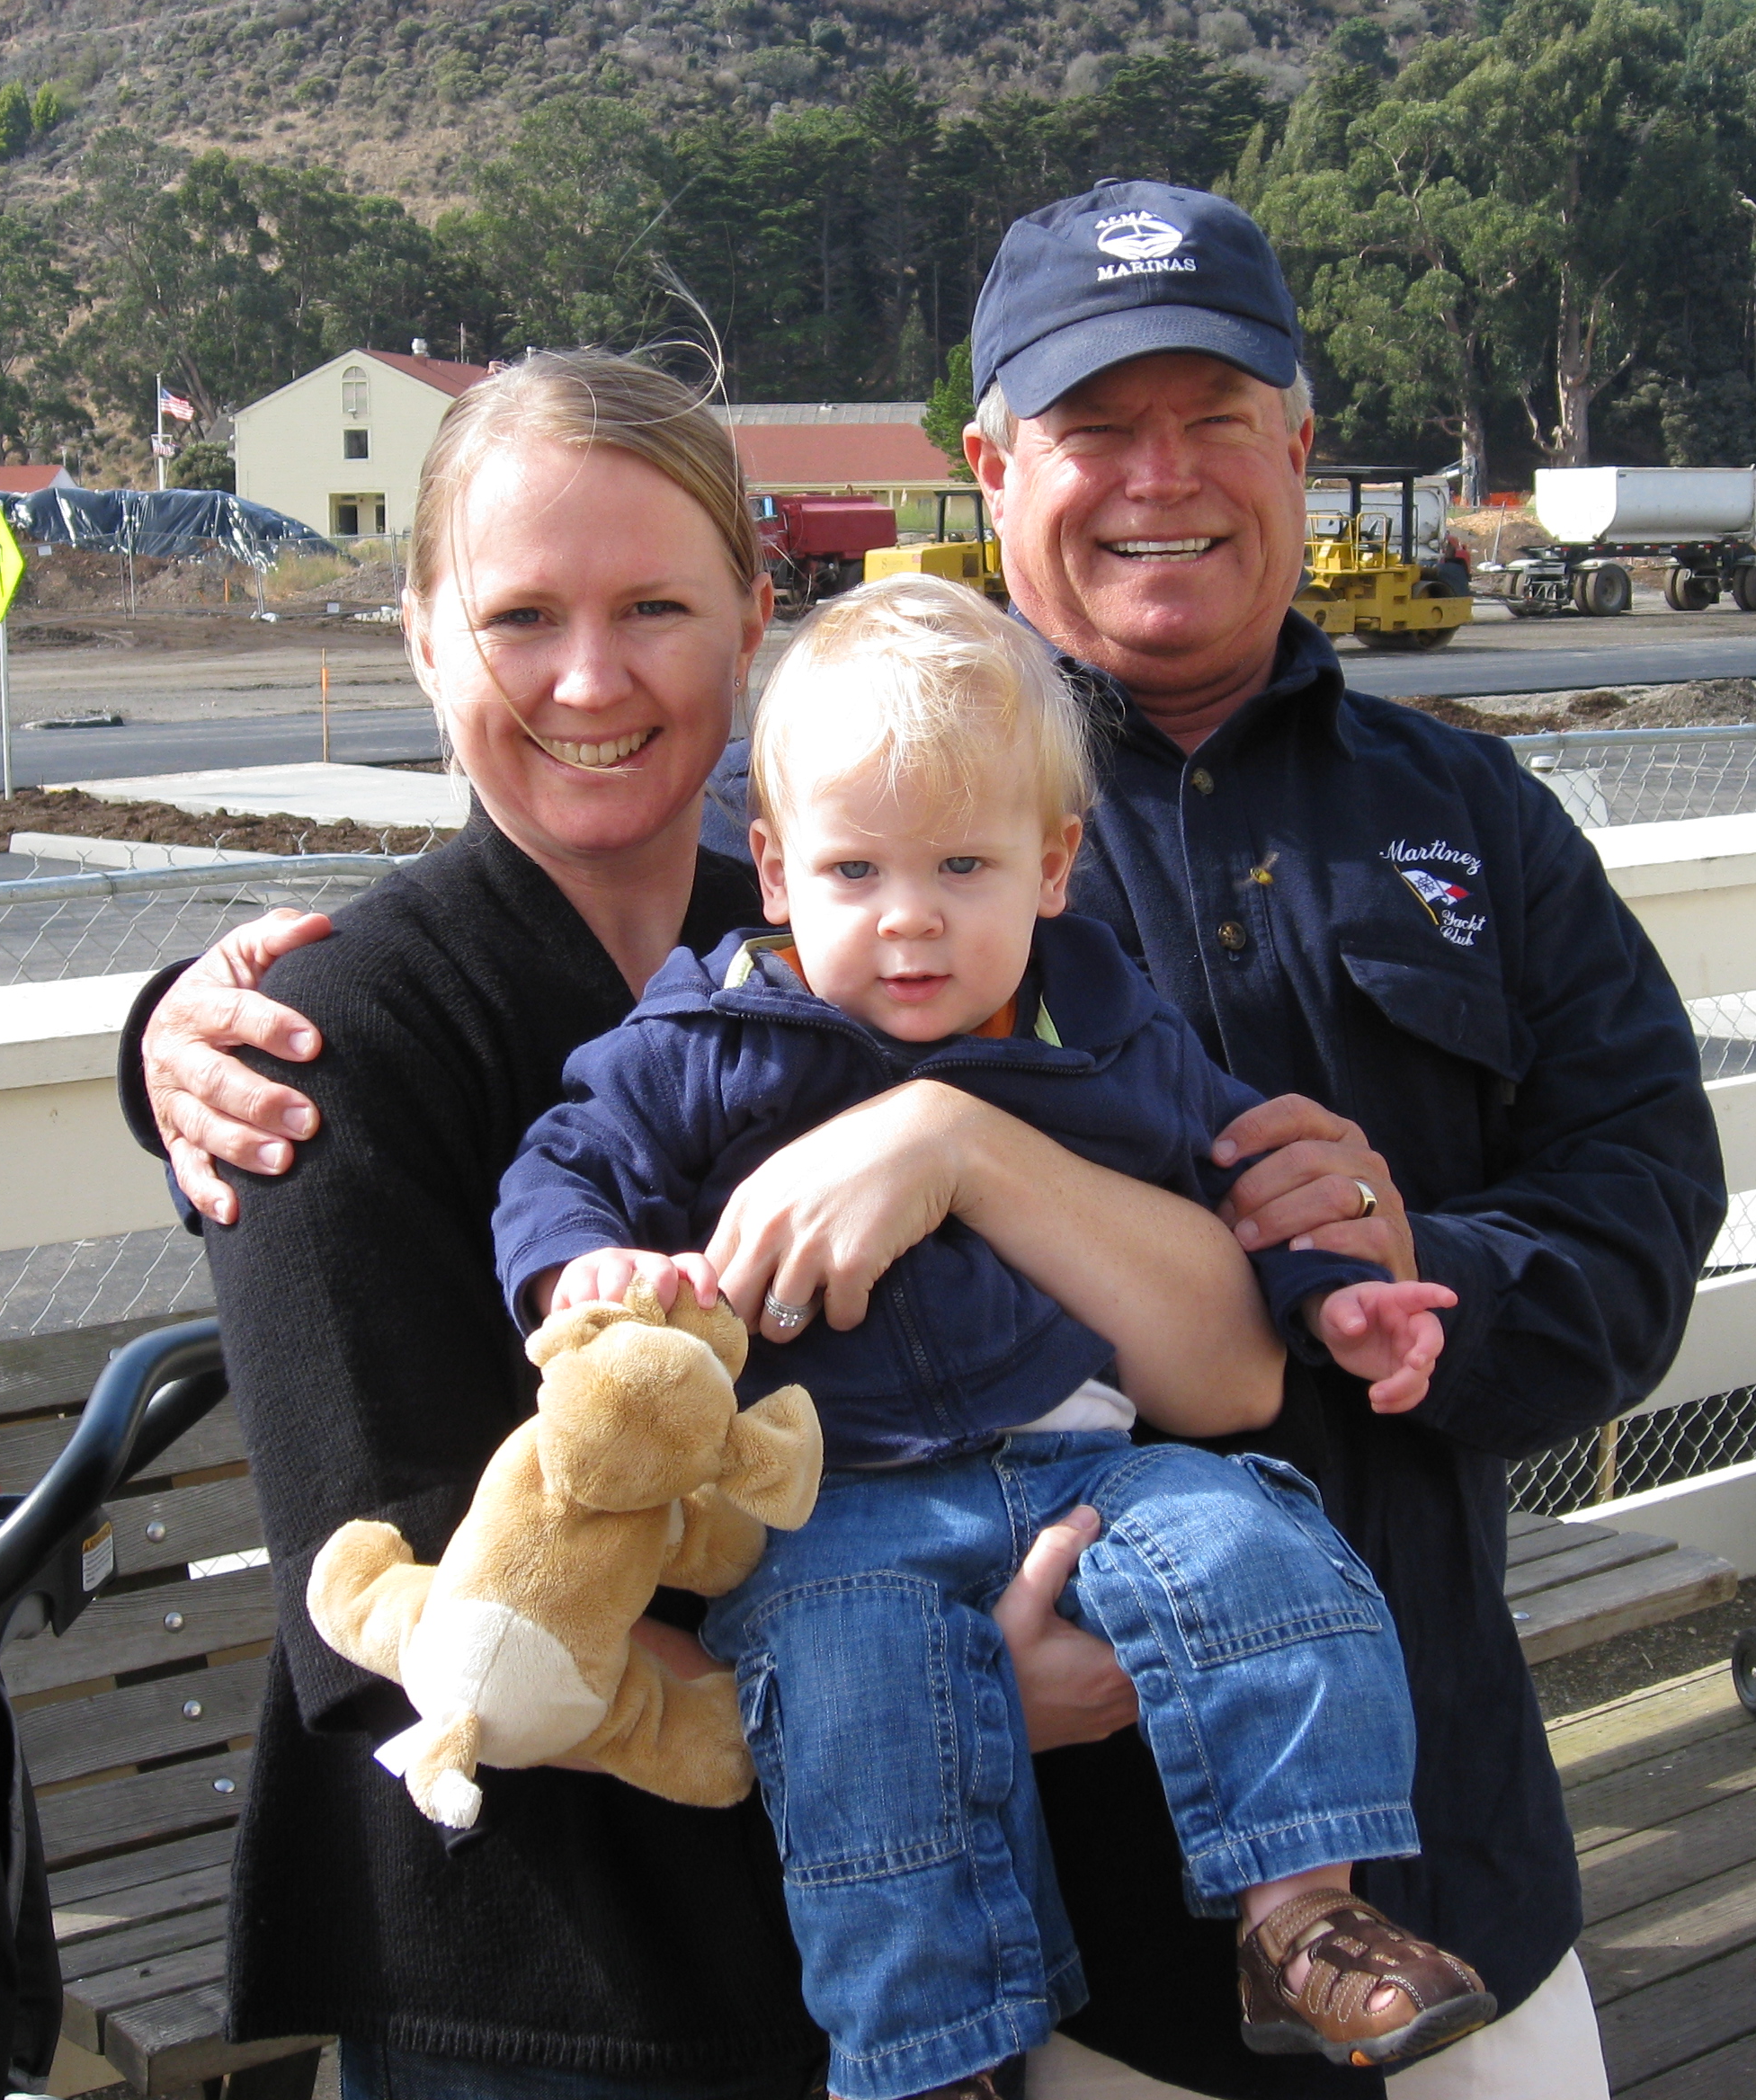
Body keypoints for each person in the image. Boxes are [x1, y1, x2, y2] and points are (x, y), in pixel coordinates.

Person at [138, 182, 1725, 2097]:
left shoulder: (1456, 815)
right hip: (856, 1938)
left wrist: (1388, 1281)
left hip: (1421, 1825)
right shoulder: (823, 860)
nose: (594, 677)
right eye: (1095, 423)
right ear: (990, 465)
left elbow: (1607, 1226)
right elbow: (388, 1547)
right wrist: (162, 1031)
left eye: (1215, 417)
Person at [136, 349, 1354, 2100]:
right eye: (518, 617)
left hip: (919, 1946)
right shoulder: (329, 1038)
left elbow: (1216, 1369)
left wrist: (995, 1153)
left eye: (654, 606)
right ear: (419, 637)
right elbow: (392, 1602)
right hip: (547, 1980)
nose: (590, 677)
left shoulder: (877, 922)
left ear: (752, 623)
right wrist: (940, 1694)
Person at [496, 575, 1493, 2098]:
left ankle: (1304, 1914)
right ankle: (928, 2056)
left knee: (1265, 1552)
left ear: (1054, 867)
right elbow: (561, 1166)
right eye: (854, 869)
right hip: (835, 1502)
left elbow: (1246, 1171)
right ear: (776, 868)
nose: (909, 917)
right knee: (857, 1705)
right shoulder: (707, 1045)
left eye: (964, 865)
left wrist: (1333, 1296)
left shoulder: (1108, 1027)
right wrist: (585, 1271)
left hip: (1089, 1458)